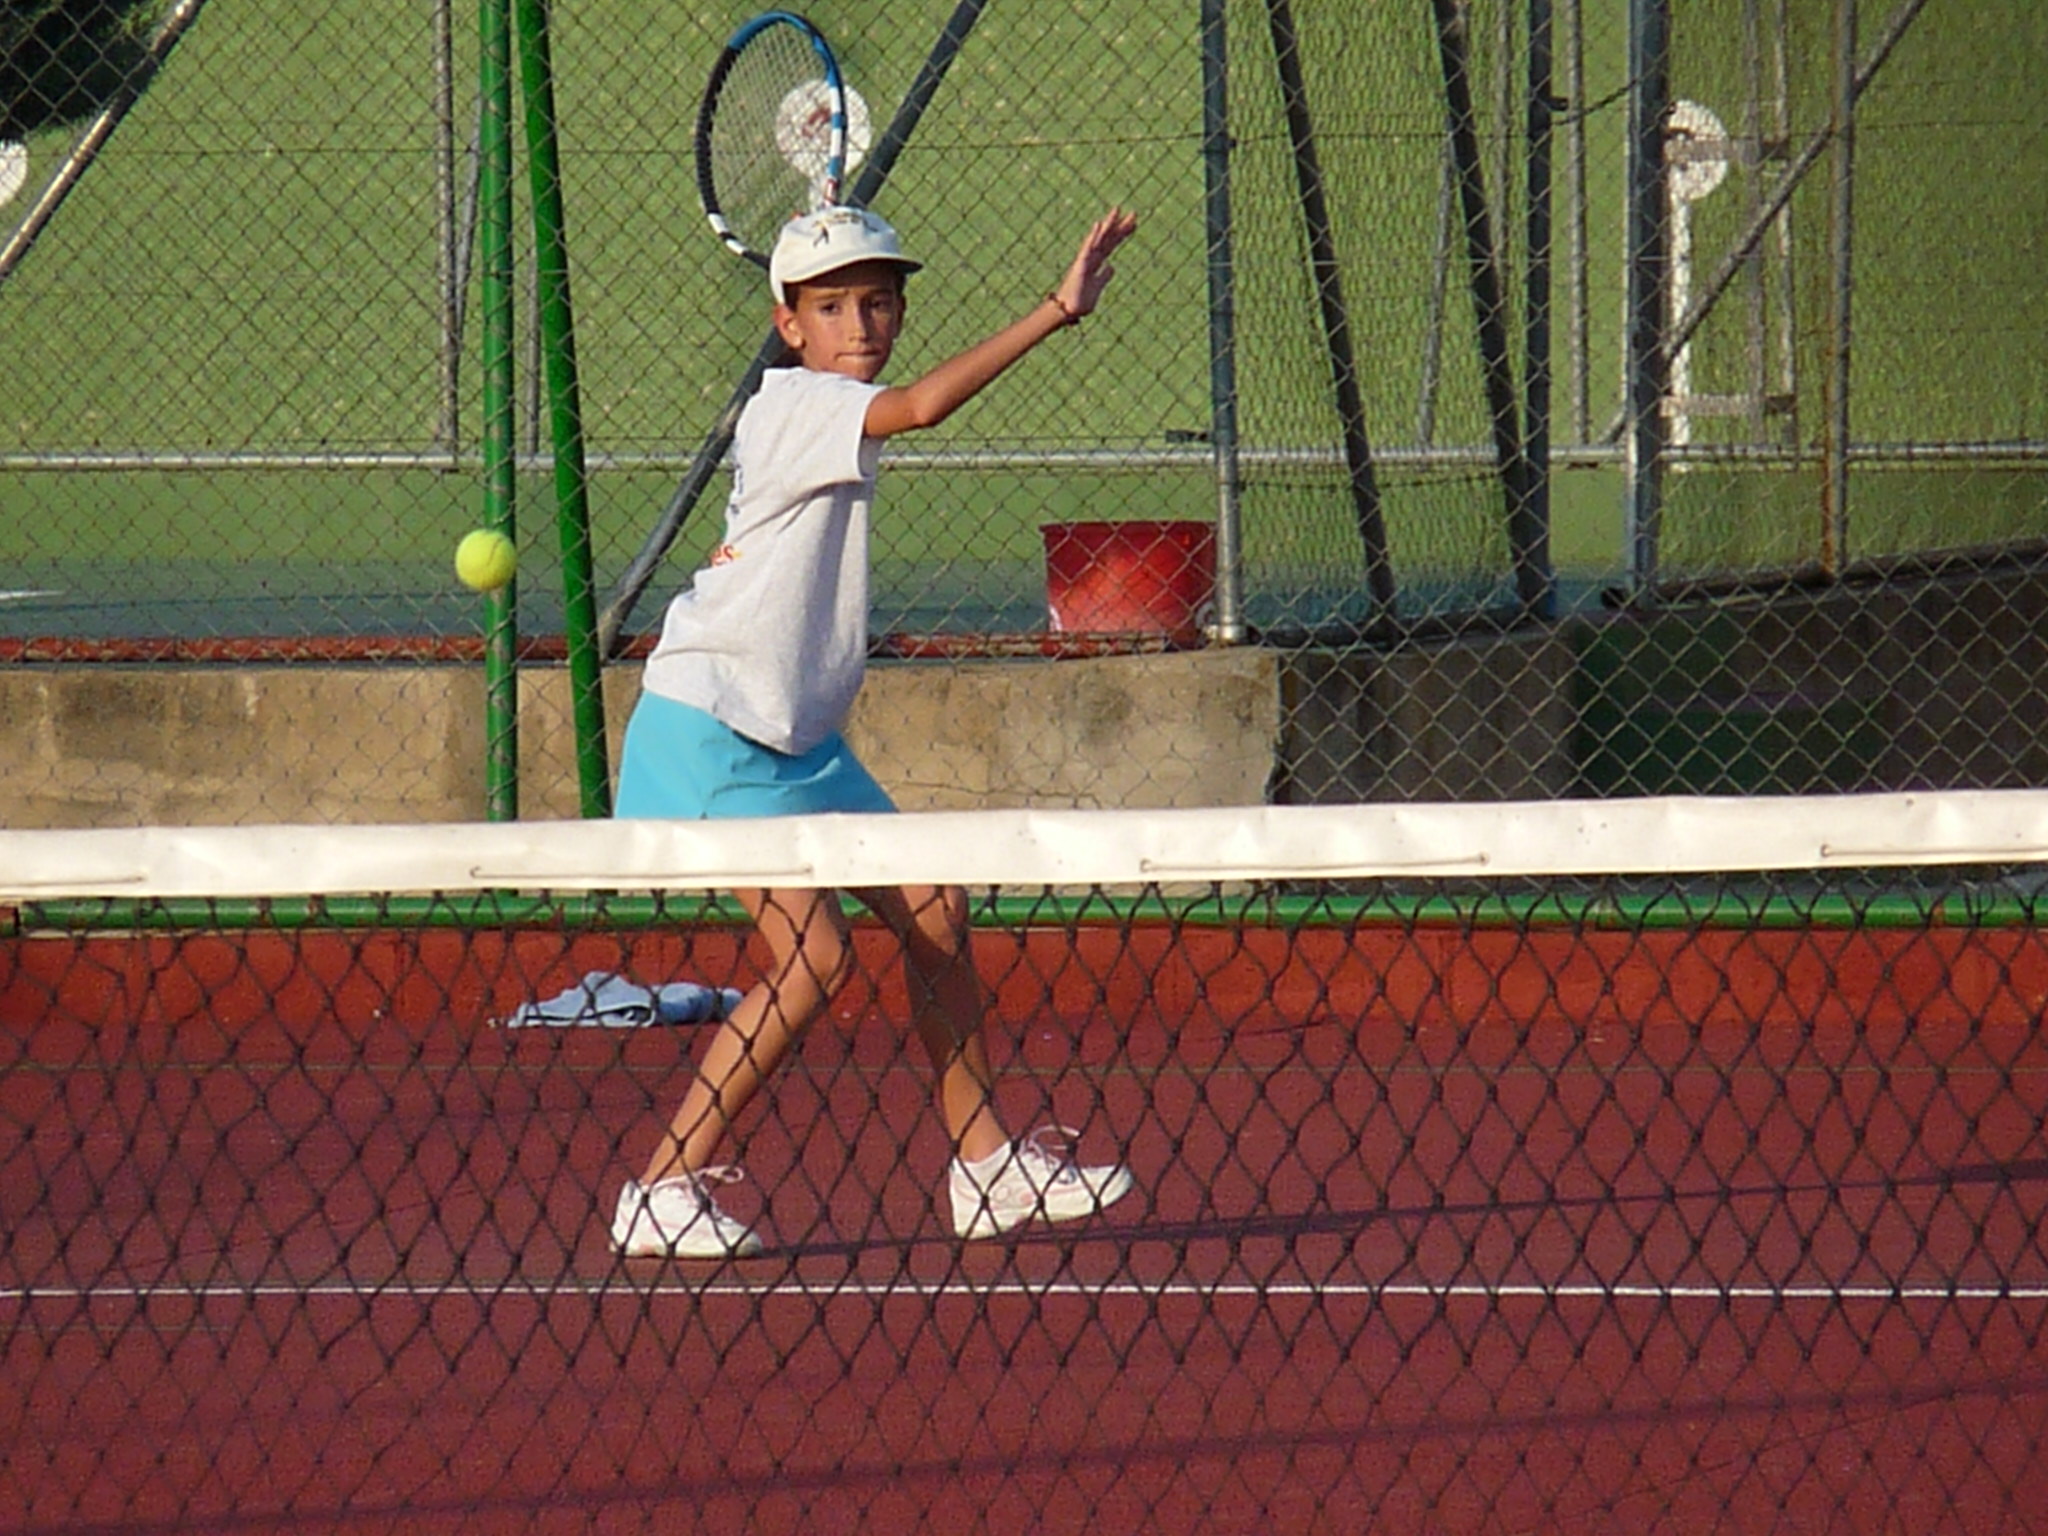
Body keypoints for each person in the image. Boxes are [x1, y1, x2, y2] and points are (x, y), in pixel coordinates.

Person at [610, 203, 1142, 1259]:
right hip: (712, 726)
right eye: (831, 307)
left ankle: (985, 1170)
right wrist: (1056, 309)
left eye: (878, 301)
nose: (860, 324)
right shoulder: (797, 404)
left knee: (935, 909)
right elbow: (926, 406)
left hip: (799, 739)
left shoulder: (831, 408)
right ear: (787, 324)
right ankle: (659, 1189)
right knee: (813, 960)